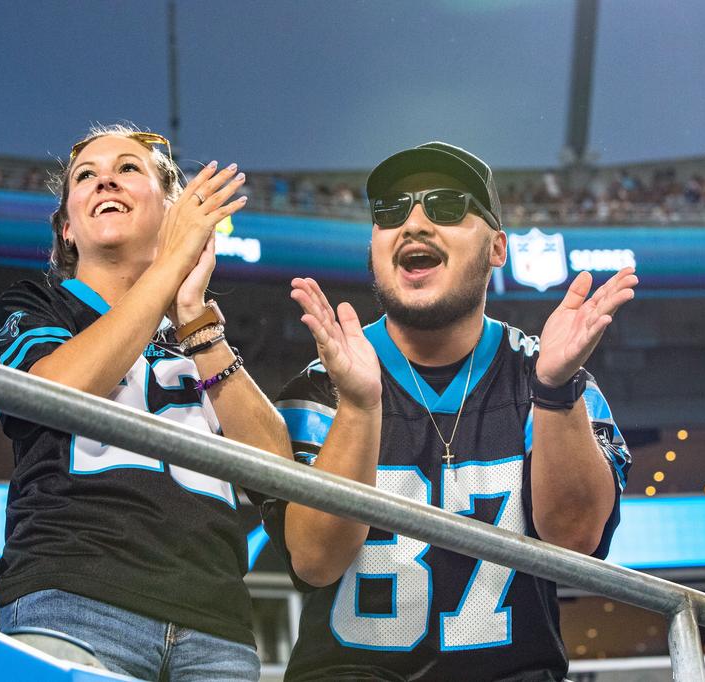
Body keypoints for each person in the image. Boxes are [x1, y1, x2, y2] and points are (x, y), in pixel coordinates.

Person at [260, 142, 635, 681]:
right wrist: (361, 408)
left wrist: (554, 390)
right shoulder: (320, 389)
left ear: (497, 248)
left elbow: (576, 541)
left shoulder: (552, 377)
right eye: (391, 212)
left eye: (446, 207)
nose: (413, 223)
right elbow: (316, 561)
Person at [0, 124, 292, 681]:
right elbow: (56, 395)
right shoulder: (37, 304)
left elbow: (276, 478)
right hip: (72, 597)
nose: (106, 178)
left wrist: (197, 322)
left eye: (129, 168)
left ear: (173, 213)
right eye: (86, 176)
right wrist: (168, 270)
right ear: (66, 231)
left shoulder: (200, 336)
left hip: (216, 624)